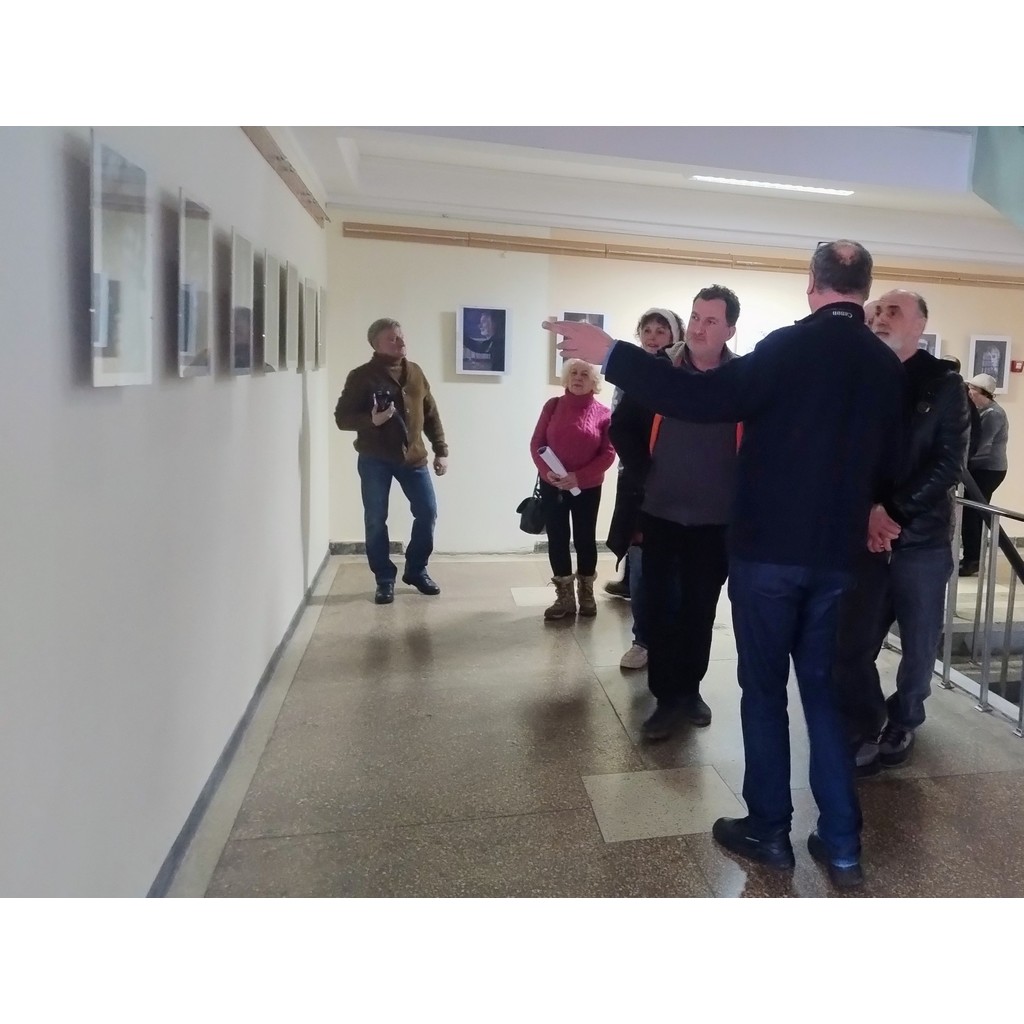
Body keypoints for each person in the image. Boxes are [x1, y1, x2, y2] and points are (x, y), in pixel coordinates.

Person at [546, 240, 905, 888]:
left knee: (764, 690)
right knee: (821, 692)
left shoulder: (787, 348)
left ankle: (769, 828)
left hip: (769, 554)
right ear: (864, 287)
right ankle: (843, 843)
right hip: (836, 557)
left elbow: (702, 398)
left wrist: (612, 353)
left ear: (812, 283)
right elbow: (894, 458)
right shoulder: (883, 363)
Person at [833, 290, 970, 776]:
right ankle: (864, 717)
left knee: (919, 638)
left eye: (894, 311)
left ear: (919, 326)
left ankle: (906, 717)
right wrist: (865, 513)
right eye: (876, 310)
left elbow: (947, 463)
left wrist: (890, 512)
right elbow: (842, 454)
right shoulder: (857, 377)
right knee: (855, 637)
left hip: (920, 538)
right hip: (864, 535)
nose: (880, 318)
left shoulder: (943, 385)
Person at [609, 291, 741, 744]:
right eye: (695, 317)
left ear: (730, 330)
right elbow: (621, 426)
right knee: (661, 608)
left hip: (716, 520)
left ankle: (690, 691)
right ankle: (666, 698)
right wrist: (646, 473)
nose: (699, 327)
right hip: (661, 513)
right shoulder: (659, 371)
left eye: (711, 321)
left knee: (700, 610)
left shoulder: (741, 378)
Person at [334, 318, 448, 605]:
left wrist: (441, 449)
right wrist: (370, 420)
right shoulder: (361, 376)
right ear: (376, 344)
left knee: (428, 512)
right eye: (393, 339)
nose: (401, 342)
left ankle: (416, 570)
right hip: (375, 459)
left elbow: (430, 413)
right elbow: (342, 418)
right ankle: (384, 579)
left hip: (414, 457)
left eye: (401, 336)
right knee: (375, 519)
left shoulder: (415, 372)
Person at [606, 307, 684, 667]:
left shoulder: (685, 373)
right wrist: (645, 471)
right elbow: (620, 427)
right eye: (647, 331)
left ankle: (672, 642)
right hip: (640, 485)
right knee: (640, 564)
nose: (653, 337)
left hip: (682, 489)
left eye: (661, 331)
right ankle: (642, 640)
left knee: (677, 570)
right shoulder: (633, 373)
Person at [529, 358, 615, 621]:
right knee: (557, 538)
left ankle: (586, 593)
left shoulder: (604, 414)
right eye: (574, 373)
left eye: (585, 374)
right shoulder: (553, 406)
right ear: (566, 379)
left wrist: (578, 477)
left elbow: (608, 454)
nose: (578, 377)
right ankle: (564, 597)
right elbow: (537, 443)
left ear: (594, 382)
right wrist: (548, 472)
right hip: (553, 484)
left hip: (587, 487)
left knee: (585, 539)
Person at [960, 372, 1010, 576]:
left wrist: (961, 462)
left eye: (972, 390)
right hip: (979, 468)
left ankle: (973, 560)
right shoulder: (981, 411)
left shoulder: (993, 414)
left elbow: (981, 445)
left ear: (983, 393)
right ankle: (971, 558)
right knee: (971, 513)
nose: (969, 393)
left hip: (989, 470)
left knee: (973, 513)